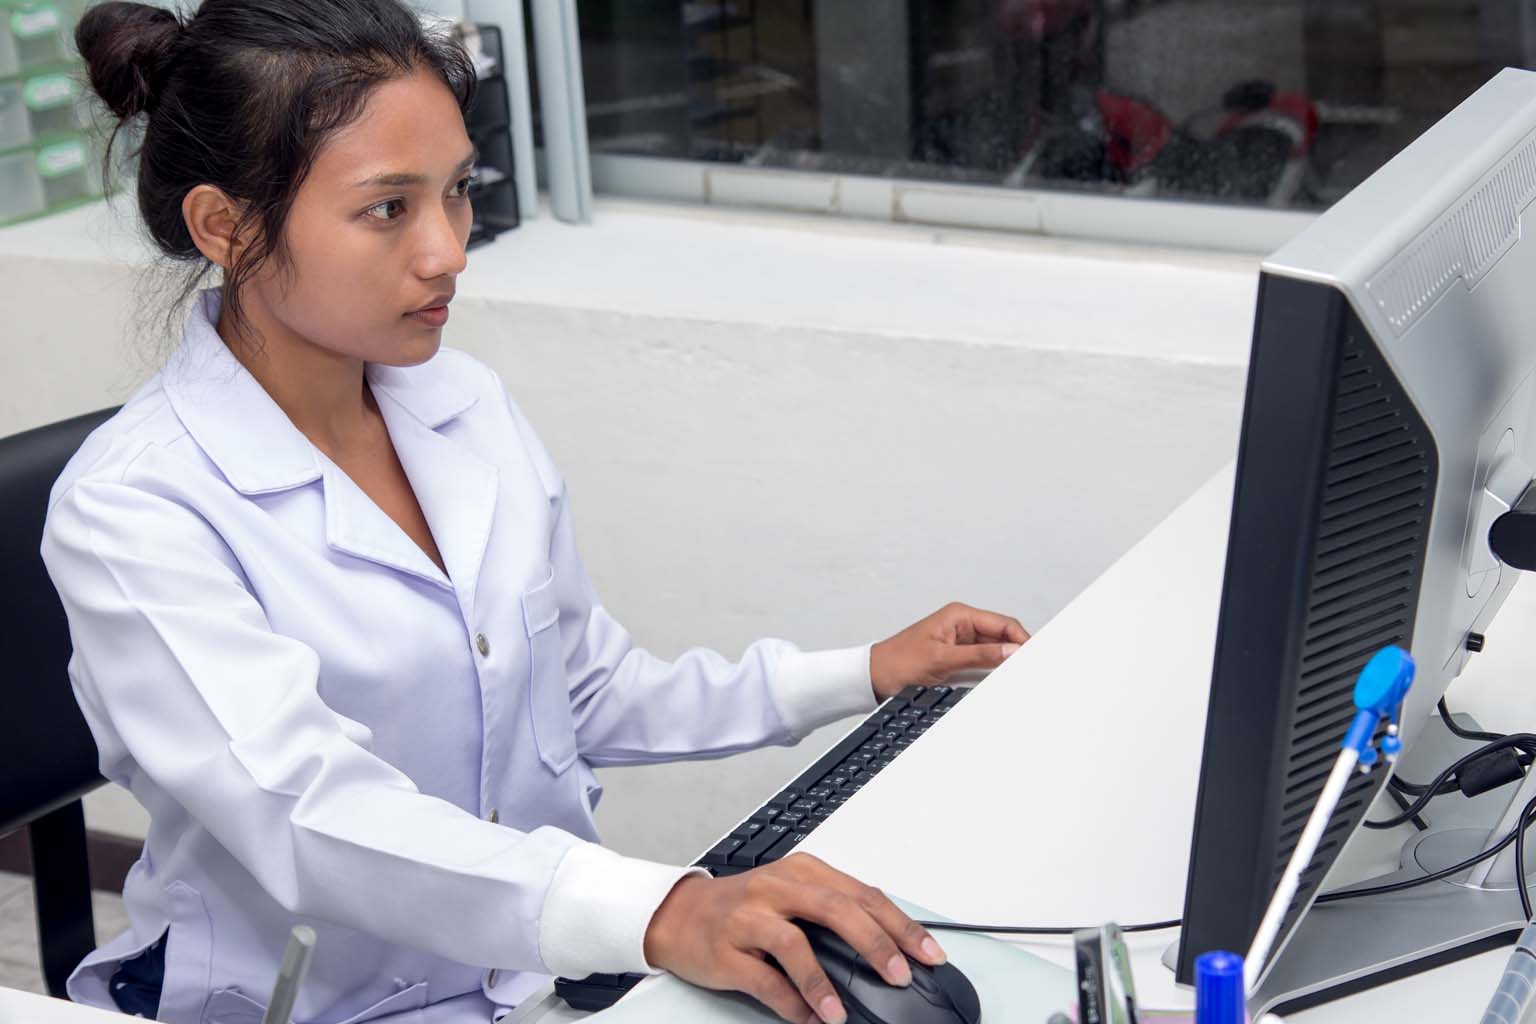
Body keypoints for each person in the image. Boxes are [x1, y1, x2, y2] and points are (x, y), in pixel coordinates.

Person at [41, 3, 1031, 1023]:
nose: (447, 251)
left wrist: (862, 671)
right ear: (226, 226)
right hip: (315, 1006)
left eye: (456, 191)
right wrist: (665, 911)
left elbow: (586, 693)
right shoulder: (136, 508)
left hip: (543, 986)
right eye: (389, 208)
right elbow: (307, 817)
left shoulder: (463, 406)